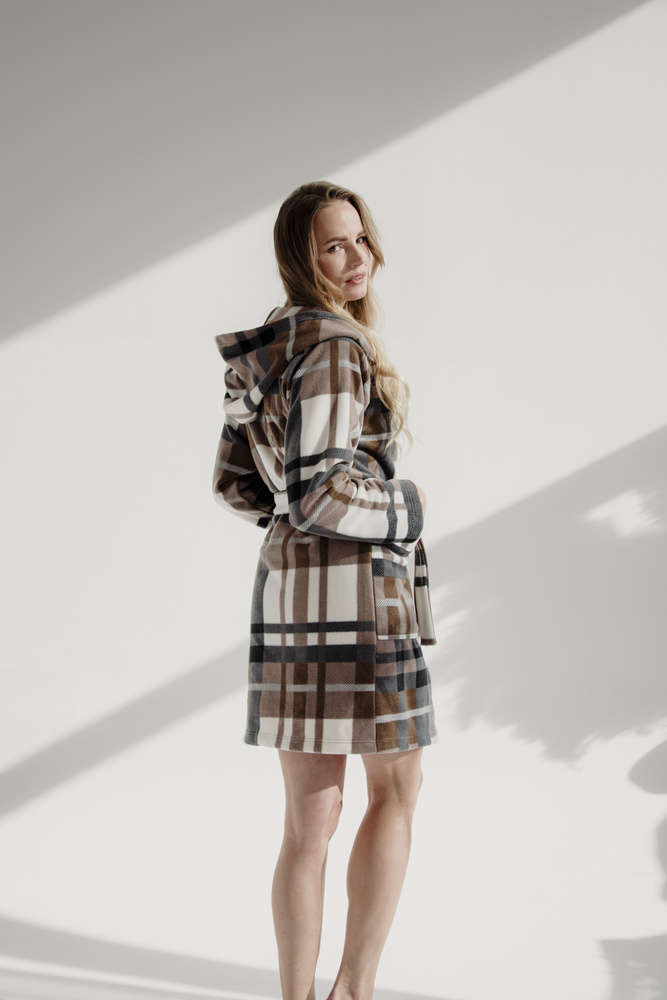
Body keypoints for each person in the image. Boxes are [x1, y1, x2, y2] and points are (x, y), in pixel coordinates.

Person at [212, 181, 437, 1000]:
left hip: (288, 596)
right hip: (359, 603)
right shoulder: (338, 345)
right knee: (395, 792)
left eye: (360, 239)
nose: (355, 259)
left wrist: (297, 538)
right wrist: (405, 508)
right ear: (300, 259)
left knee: (307, 826)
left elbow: (237, 485)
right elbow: (320, 493)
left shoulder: (268, 347)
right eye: (333, 246)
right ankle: (353, 991)